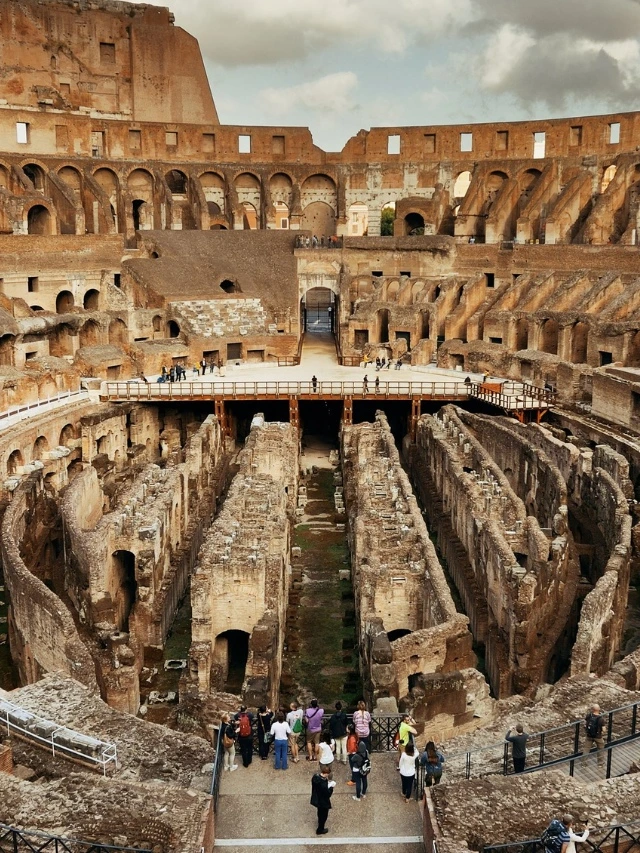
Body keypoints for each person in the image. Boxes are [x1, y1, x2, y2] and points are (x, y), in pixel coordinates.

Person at [310, 763, 335, 835]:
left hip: (317, 799)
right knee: (323, 816)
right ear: (326, 774)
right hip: (323, 802)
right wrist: (331, 787)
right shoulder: (323, 784)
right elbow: (328, 794)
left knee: (319, 813)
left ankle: (320, 825)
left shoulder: (315, 777)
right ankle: (320, 829)